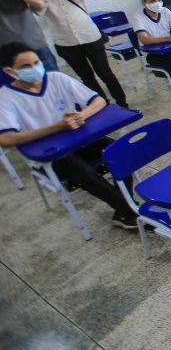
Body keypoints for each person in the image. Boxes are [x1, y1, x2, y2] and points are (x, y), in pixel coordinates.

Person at [0, 42, 139, 229]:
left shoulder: (56, 78)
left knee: (121, 153)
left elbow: (98, 101)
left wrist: (81, 116)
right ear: (10, 71)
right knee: (83, 172)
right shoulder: (6, 98)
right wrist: (57, 127)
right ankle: (133, 212)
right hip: (50, 153)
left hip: (79, 140)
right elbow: (6, 139)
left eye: (36, 62)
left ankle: (125, 210)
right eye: (26, 66)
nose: (34, 68)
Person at [32, 0, 127, 108]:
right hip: (65, 42)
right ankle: (102, 106)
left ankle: (123, 104)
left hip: (89, 35)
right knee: (87, 77)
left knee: (105, 73)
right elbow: (38, 12)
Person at [0, 0, 58, 72]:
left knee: (51, 78)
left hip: (35, 45)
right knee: (15, 82)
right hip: (5, 52)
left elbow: (39, 4)